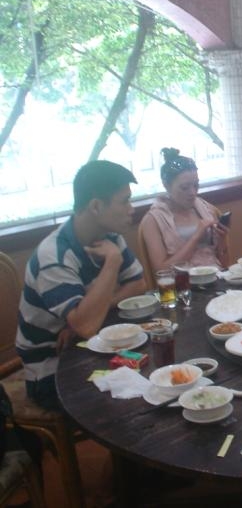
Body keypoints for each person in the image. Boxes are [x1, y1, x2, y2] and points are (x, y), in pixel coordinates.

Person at [15, 161, 146, 409]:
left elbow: (138, 284)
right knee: (130, 405)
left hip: (90, 348)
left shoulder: (110, 237)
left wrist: (88, 314)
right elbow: (87, 326)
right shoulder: (54, 255)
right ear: (96, 206)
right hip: (51, 369)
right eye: (125, 201)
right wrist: (112, 263)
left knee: (156, 372)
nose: (132, 209)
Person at [140, 148, 229, 271]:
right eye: (184, 187)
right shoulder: (153, 220)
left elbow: (225, 265)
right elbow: (162, 270)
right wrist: (196, 236)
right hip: (182, 280)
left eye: (196, 185)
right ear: (166, 185)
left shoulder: (206, 209)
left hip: (215, 275)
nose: (192, 192)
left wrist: (222, 240)